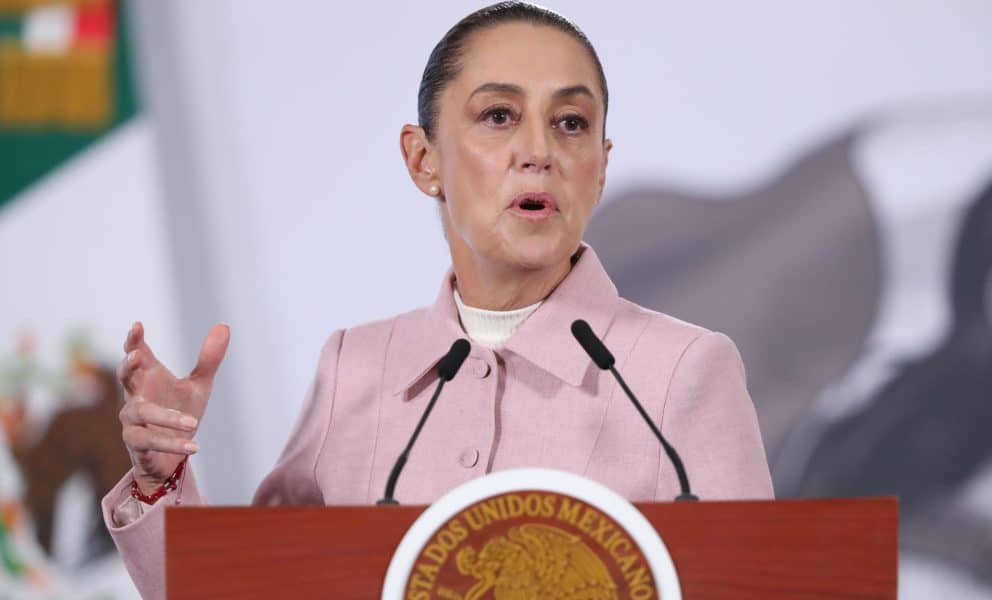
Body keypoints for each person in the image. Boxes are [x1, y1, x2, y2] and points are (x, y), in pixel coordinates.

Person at [104, 3, 773, 597]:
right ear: (424, 161)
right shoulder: (354, 366)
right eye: (498, 116)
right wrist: (161, 483)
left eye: (571, 123)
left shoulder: (683, 371)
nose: (538, 151)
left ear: (600, 165)